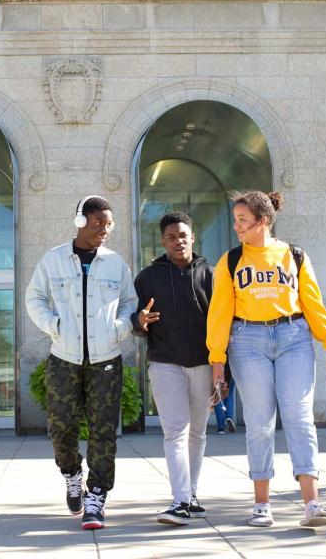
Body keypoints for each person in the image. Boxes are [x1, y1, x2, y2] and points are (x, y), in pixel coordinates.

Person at [206, 191, 326, 529]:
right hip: (247, 341)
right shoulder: (229, 261)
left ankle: (312, 504)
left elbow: (312, 301)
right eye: (236, 219)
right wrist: (217, 358)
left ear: (263, 221)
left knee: (299, 417)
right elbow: (220, 312)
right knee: (259, 422)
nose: (237, 225)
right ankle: (261, 505)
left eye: (243, 220)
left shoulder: (294, 256)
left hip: (293, 338)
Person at [25, 195, 138, 530]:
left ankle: (97, 496)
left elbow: (128, 303)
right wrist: (54, 326)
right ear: (80, 221)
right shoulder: (53, 259)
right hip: (64, 359)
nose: (104, 229)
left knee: (104, 432)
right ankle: (72, 473)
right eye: (97, 222)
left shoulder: (115, 263)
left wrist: (119, 329)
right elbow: (35, 298)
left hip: (106, 359)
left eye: (108, 223)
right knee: (61, 428)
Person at [131, 211, 215, 526]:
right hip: (165, 362)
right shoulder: (147, 277)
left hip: (204, 363)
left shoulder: (212, 274)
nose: (178, 241)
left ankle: (191, 496)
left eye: (182, 235)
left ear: (192, 237)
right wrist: (138, 322)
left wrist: (223, 369)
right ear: (163, 241)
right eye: (171, 237)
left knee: (198, 432)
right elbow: (133, 318)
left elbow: (224, 325)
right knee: (175, 431)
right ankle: (179, 499)